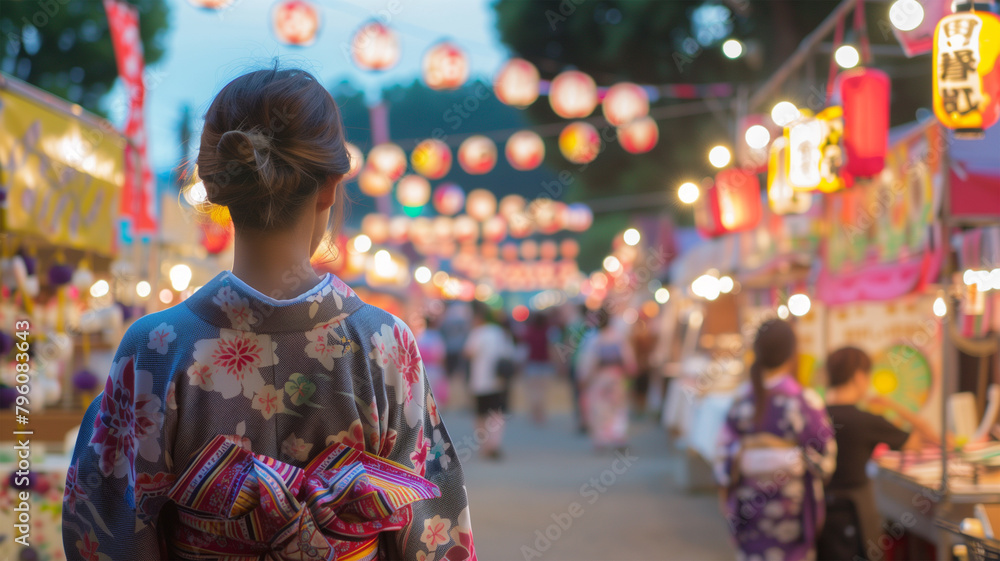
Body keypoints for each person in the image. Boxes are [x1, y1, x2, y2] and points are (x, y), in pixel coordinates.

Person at [62, 67, 476, 560]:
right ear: (329, 187)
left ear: (213, 185)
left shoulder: (156, 348)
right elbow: (434, 527)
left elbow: (106, 527)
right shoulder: (387, 344)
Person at [715, 319, 837, 561]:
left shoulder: (742, 400)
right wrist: (795, 458)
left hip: (749, 503)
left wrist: (746, 462)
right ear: (793, 352)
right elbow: (825, 460)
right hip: (792, 507)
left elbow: (723, 458)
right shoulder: (804, 401)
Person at [817, 346, 939, 561]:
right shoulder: (865, 420)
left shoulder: (815, 416)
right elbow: (922, 442)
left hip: (819, 515)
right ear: (858, 376)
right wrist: (892, 404)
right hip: (854, 517)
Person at [577, 309, 636, 452]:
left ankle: (601, 439)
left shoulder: (594, 339)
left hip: (599, 379)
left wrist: (584, 378)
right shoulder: (619, 338)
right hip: (617, 377)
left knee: (599, 409)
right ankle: (618, 435)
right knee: (618, 408)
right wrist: (630, 372)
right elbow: (629, 360)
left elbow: (589, 362)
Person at [464, 302, 514, 460]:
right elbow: (509, 352)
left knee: (481, 415)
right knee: (497, 415)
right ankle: (495, 444)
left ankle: (484, 447)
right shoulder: (499, 332)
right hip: (498, 381)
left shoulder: (477, 333)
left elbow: (468, 353)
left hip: (480, 381)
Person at [523, 311, 555, 425]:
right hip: (545, 364)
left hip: (533, 364)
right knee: (542, 391)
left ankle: (535, 412)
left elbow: (525, 349)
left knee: (533, 391)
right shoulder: (549, 331)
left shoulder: (529, 331)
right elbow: (551, 348)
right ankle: (540, 413)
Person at [417, 314, 450, 407]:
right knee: (435, 394)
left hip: (423, 368)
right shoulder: (436, 336)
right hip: (435, 368)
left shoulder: (420, 336)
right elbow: (440, 356)